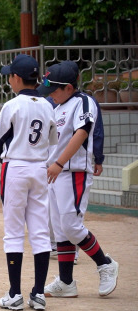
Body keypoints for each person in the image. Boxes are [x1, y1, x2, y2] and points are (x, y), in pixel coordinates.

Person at [38, 62, 119, 298]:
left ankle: (105, 264)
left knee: (72, 226)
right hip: (54, 174)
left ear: (70, 87)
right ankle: (66, 282)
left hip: (73, 172)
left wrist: (60, 162)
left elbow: (82, 132)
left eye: (54, 89)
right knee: (61, 230)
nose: (51, 94)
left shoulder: (83, 102)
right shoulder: (56, 106)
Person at [0, 54, 58, 311]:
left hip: (15, 167)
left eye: (10, 76)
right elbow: (52, 140)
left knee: (14, 231)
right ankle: (38, 294)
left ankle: (14, 294)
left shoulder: (12, 105)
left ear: (17, 78)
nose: (9, 80)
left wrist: (10, 163)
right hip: (39, 169)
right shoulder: (47, 105)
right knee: (40, 231)